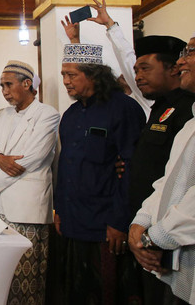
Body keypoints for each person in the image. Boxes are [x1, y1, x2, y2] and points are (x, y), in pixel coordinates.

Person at [54, 44, 146, 304]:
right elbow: (66, 165)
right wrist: (60, 209)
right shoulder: (71, 115)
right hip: (73, 220)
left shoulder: (123, 109)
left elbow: (131, 169)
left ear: (93, 75)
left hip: (105, 224)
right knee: (76, 292)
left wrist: (119, 221)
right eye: (63, 75)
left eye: (72, 75)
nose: (66, 82)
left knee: (107, 292)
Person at [0, 60, 60, 305]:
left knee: (25, 275)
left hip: (26, 207)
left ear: (27, 84)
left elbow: (32, 159)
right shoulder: (2, 114)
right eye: (1, 86)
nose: (4, 91)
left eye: (9, 85)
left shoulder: (47, 114)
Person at [129, 35, 195, 305]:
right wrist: (141, 221)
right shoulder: (191, 120)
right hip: (164, 248)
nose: (182, 61)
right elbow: (170, 180)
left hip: (170, 244)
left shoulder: (182, 110)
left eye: (190, 52)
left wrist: (153, 237)